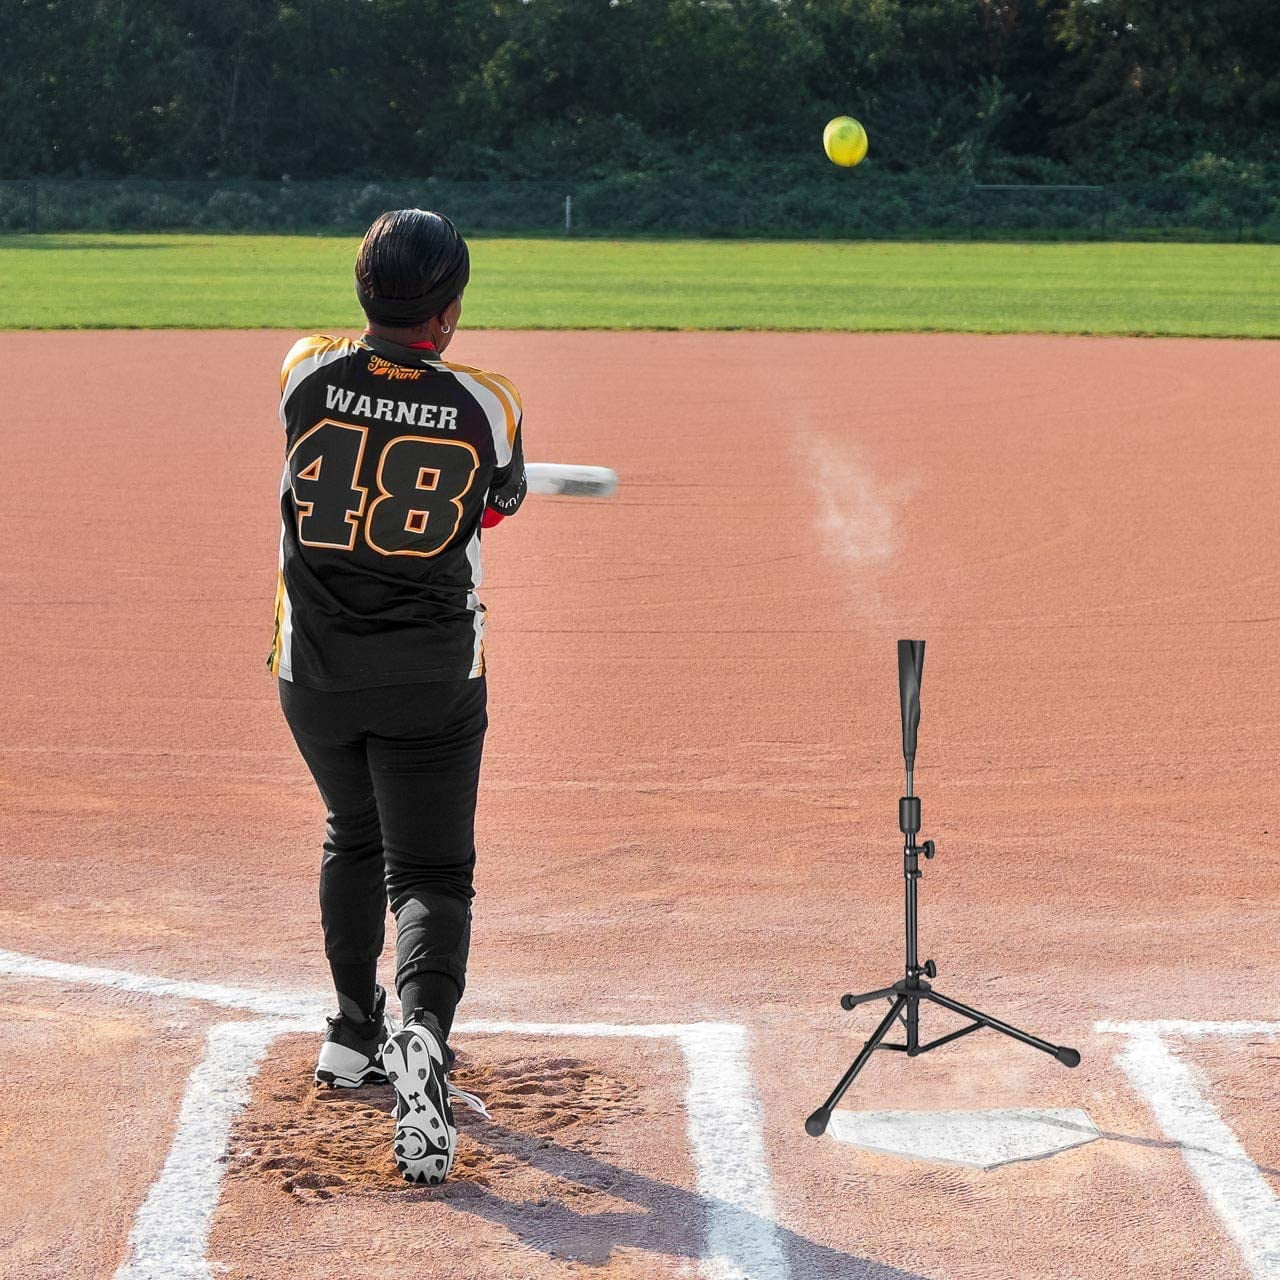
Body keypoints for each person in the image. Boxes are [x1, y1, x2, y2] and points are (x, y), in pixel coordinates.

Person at [267, 209, 526, 1184]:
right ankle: (421, 1031)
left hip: (315, 669)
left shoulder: (303, 369)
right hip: (429, 675)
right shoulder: (485, 402)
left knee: (353, 832)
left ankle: (351, 1030)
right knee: (431, 871)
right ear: (448, 312)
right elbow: (493, 507)